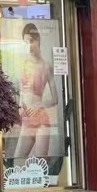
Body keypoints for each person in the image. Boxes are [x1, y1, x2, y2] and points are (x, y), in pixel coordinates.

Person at [13, 22, 57, 164]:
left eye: (31, 41)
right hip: (26, 119)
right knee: (17, 161)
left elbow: (55, 99)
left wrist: (39, 104)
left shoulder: (46, 66)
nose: (29, 46)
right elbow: (21, 92)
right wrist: (20, 106)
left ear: (38, 40)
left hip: (41, 119)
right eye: (26, 42)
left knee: (41, 164)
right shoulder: (22, 64)